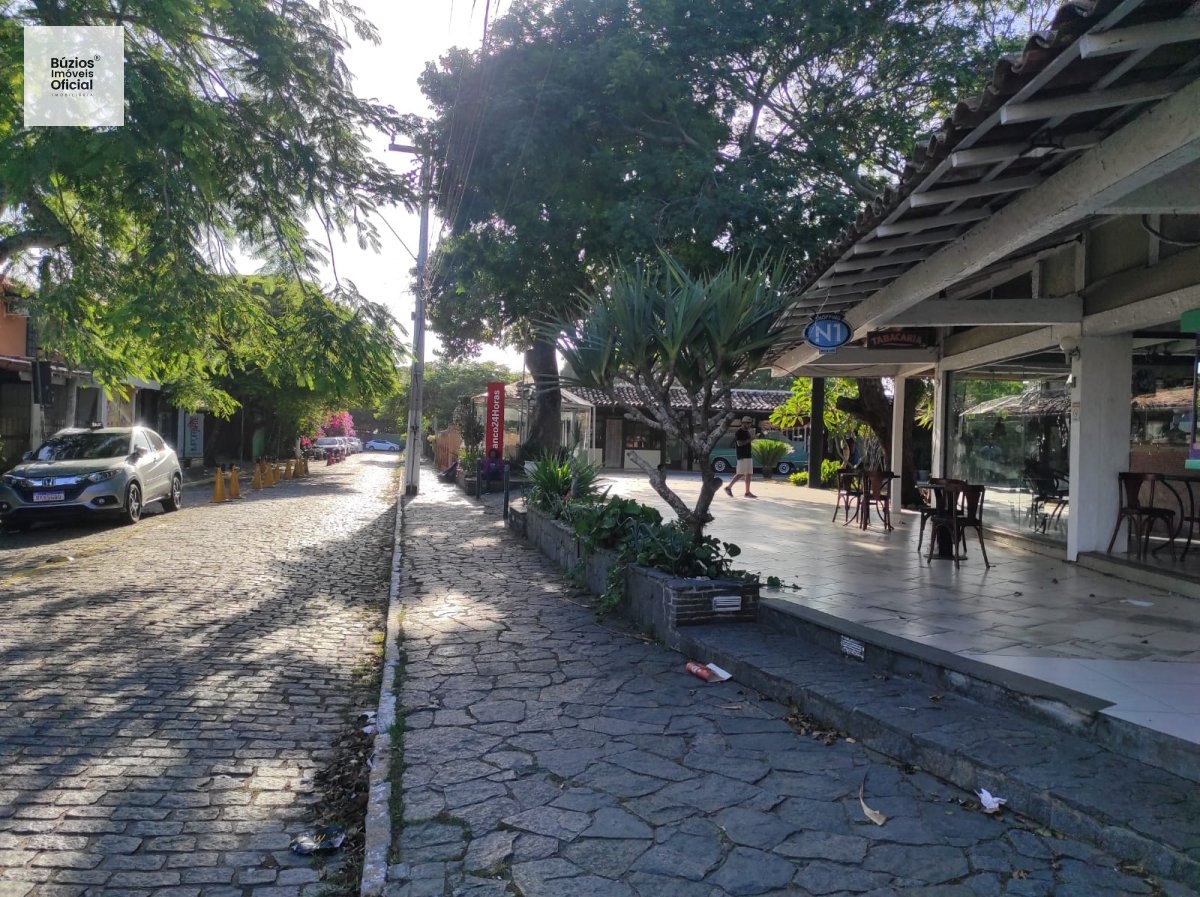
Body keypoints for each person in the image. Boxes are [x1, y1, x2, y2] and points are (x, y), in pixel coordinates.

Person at [724, 416, 758, 498]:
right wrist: (751, 439)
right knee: (740, 473)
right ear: (743, 423)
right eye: (747, 423)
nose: (749, 425)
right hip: (742, 455)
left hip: (748, 455)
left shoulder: (747, 432)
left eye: (750, 423)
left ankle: (747, 492)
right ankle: (728, 487)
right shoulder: (739, 432)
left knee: (749, 474)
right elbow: (740, 444)